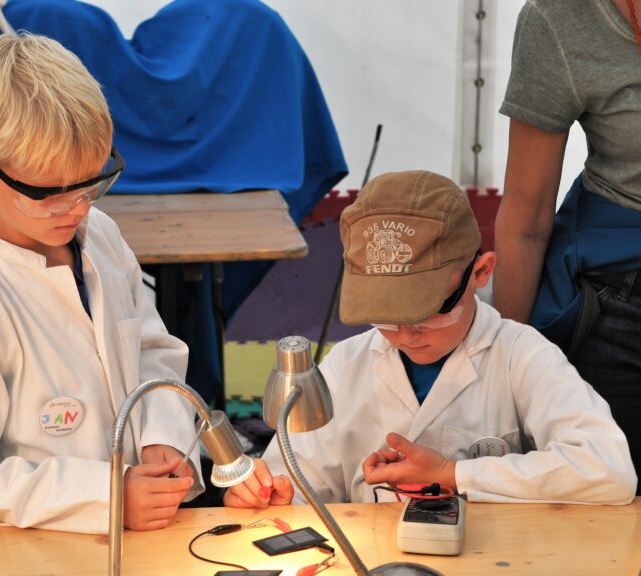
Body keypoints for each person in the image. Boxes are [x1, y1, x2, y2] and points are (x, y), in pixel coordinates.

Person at [0, 33, 203, 534]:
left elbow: (151, 353)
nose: (81, 207)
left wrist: (163, 438)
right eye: (52, 194)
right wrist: (105, 496)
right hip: (47, 550)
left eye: (93, 182)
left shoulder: (100, 236)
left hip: (144, 534)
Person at [225, 170, 637, 507]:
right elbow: (297, 482)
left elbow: (609, 470)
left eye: (424, 313)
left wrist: (453, 475)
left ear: (481, 272)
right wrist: (270, 495)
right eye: (385, 314)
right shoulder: (343, 369)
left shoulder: (520, 355)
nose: (404, 334)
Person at [494, 0, 641, 493]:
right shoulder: (559, 20)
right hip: (620, 299)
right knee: (613, 509)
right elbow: (525, 218)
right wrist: (508, 366)